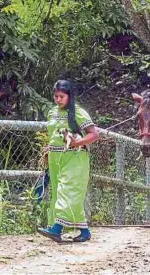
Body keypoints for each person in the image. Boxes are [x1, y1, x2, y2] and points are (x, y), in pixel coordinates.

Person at [37, 80, 99, 243]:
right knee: (58, 192)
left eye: (61, 96)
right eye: (56, 96)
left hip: (75, 157)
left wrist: (76, 142)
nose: (58, 99)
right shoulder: (52, 112)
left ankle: (56, 229)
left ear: (69, 96)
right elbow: (53, 134)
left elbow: (93, 134)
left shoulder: (78, 112)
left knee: (68, 190)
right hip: (55, 157)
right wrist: (48, 149)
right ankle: (84, 231)